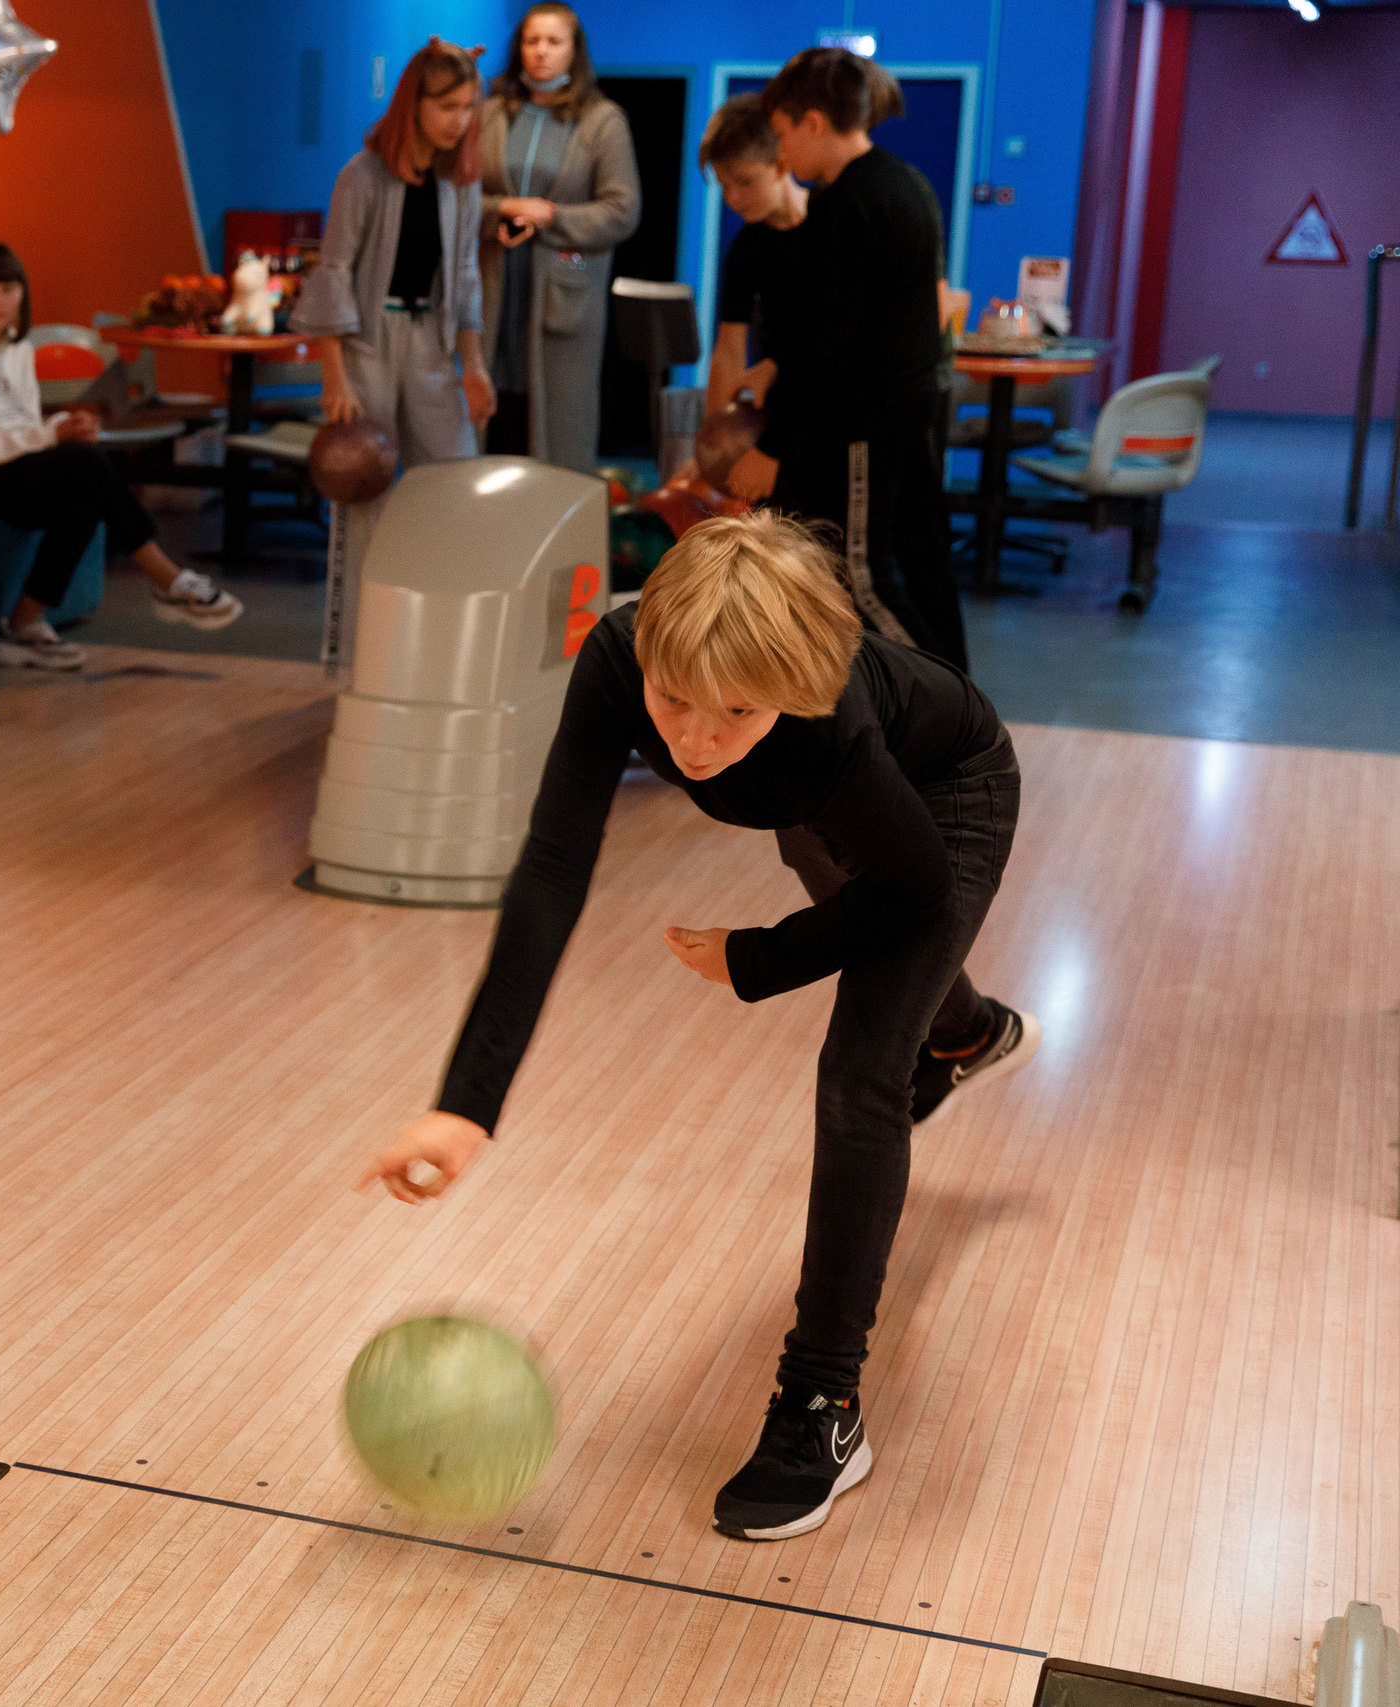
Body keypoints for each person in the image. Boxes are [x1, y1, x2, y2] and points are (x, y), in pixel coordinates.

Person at [357, 510, 1037, 1543]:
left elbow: (909, 889)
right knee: (903, 991)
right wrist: (466, 1104)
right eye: (673, 700)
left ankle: (823, 1406)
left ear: (788, 697)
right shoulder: (622, 655)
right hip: (828, 803)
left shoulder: (830, 728)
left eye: (733, 713)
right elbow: (550, 870)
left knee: (860, 1074)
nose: (693, 739)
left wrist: (756, 958)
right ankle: (968, 1032)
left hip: (945, 801)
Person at [0, 242, 243, 669]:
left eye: (7, 289)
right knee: (87, 472)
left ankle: (26, 628)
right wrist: (50, 434)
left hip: (2, 468)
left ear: (22, 294)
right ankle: (164, 578)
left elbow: (22, 428)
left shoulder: (17, 349)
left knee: (85, 481)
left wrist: (64, 431)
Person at [751, 48, 965, 669]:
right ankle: (952, 701)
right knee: (913, 564)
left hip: (869, 418)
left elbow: (830, 345)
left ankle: (950, 714)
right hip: (903, 407)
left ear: (814, 123)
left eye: (783, 134)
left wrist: (775, 449)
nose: (780, 153)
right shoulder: (905, 180)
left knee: (862, 579)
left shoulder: (847, 203)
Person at [294, 37, 495, 466]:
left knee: (454, 470)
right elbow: (335, 272)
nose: (458, 121)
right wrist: (335, 378)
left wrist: (473, 365)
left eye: (467, 108)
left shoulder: (461, 181)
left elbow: (464, 274)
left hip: (430, 338)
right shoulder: (363, 173)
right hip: (367, 340)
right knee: (363, 468)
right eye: (446, 107)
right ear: (413, 103)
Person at [476, 4, 641, 469]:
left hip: (562, 300)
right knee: (487, 428)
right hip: (492, 289)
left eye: (554, 42)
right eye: (531, 41)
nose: (541, 53)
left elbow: (622, 211)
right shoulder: (489, 114)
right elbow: (457, 199)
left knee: (557, 437)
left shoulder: (602, 120)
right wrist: (505, 209)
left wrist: (550, 216)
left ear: (575, 50)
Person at [699, 93, 805, 500]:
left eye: (746, 182)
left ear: (782, 165)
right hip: (774, 421)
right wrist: (713, 448)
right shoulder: (748, 248)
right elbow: (729, 348)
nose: (734, 200)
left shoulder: (832, 227)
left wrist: (777, 365)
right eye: (725, 186)